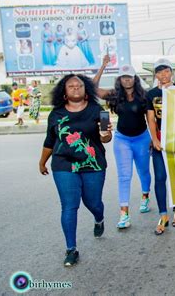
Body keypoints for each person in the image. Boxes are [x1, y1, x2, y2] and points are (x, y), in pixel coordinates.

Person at [38, 74, 112, 267]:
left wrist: (105, 134)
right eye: (71, 86)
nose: (76, 88)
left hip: (93, 163)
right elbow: (49, 141)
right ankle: (71, 249)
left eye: (79, 85)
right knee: (70, 206)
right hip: (63, 164)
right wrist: (42, 161)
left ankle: (99, 218)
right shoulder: (56, 114)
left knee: (93, 202)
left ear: (86, 89)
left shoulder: (100, 111)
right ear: (64, 92)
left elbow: (106, 137)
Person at [93, 57, 152, 229]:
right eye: (123, 77)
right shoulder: (114, 95)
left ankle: (145, 196)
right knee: (124, 176)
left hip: (142, 138)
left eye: (129, 76)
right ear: (119, 79)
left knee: (143, 171)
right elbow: (93, 88)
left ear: (135, 78)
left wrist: (152, 138)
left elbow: (151, 117)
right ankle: (124, 213)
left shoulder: (144, 96)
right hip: (122, 139)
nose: (127, 79)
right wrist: (103, 66)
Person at [147, 58, 175, 234]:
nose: (163, 74)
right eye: (159, 71)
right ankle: (163, 215)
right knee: (160, 177)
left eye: (166, 70)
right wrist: (154, 140)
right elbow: (151, 119)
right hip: (160, 141)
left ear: (171, 72)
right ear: (156, 75)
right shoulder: (151, 94)